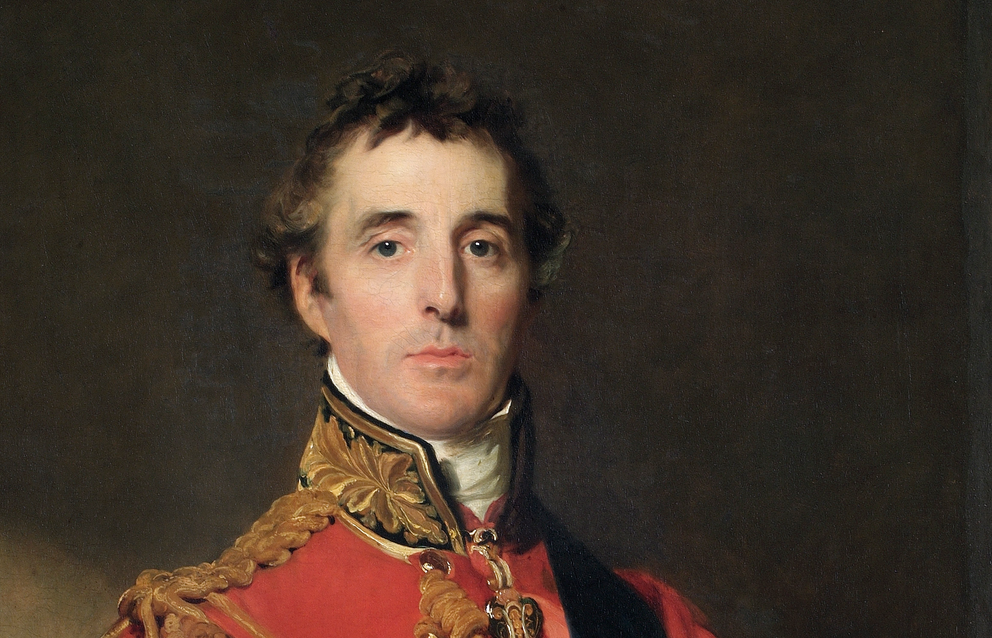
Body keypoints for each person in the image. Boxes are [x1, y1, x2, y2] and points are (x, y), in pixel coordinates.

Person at [102, 52, 715, 638]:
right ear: (312, 290)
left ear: (529, 291)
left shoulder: (648, 621)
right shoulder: (211, 625)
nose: (445, 296)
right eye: (389, 247)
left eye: (481, 247)